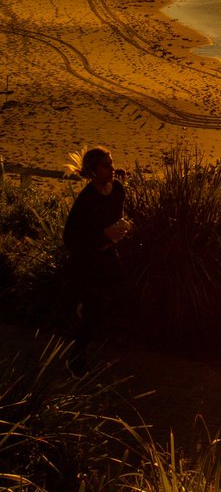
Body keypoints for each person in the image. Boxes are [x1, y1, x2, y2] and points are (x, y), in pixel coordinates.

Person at [63, 147, 131, 373]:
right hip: (88, 260)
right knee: (93, 309)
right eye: (106, 165)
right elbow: (71, 237)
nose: (112, 169)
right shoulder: (86, 199)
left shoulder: (118, 190)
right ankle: (76, 357)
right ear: (93, 170)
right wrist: (103, 234)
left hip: (110, 255)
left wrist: (120, 230)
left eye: (112, 163)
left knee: (120, 299)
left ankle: (112, 349)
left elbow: (117, 219)